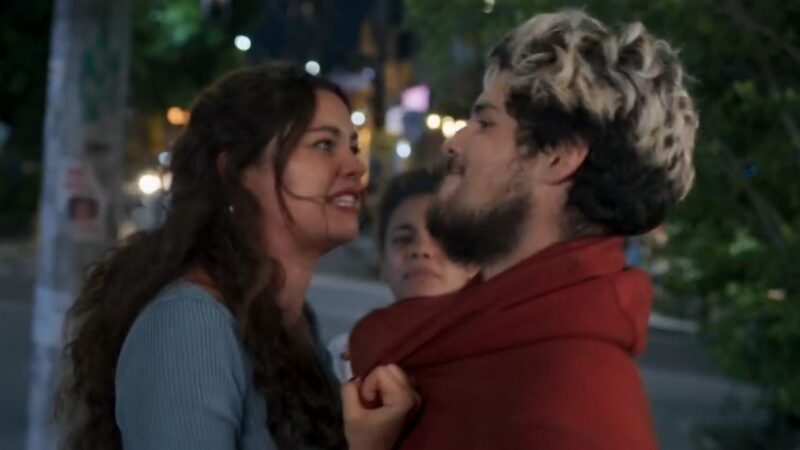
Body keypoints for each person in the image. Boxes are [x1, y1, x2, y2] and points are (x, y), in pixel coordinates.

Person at [348, 10, 698, 450]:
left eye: (485, 123)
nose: (454, 143)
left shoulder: (575, 416)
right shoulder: (476, 345)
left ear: (558, 157)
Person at [55, 62, 417, 450]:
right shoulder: (191, 324)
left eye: (353, 148)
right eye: (324, 146)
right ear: (236, 171)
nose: (356, 167)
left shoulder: (294, 322)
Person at [327, 168, 475, 381]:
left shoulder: (497, 358)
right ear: (383, 261)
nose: (421, 250)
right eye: (404, 239)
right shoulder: (345, 360)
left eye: (442, 237)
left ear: (474, 261)